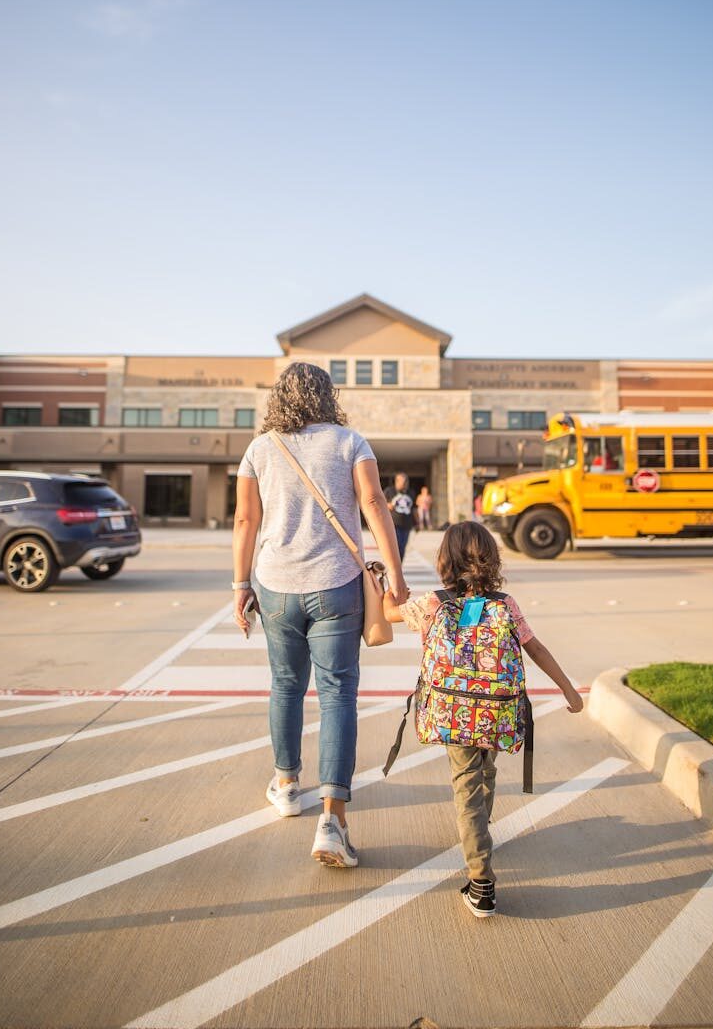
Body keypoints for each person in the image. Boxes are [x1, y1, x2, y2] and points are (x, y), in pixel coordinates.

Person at [233, 362, 409, 868]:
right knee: (338, 696)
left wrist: (240, 586)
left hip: (276, 586)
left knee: (285, 685)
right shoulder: (350, 441)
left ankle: (287, 784)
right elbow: (374, 502)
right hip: (338, 586)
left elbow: (246, 519)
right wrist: (393, 573)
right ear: (327, 395)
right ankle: (332, 821)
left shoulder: (259, 448)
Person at [384, 521, 583, 917]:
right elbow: (535, 648)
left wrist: (382, 586)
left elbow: (388, 613)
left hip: (453, 712)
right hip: (495, 711)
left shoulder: (433, 604)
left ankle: (481, 880)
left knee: (466, 786)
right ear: (491, 559)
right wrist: (568, 688)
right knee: (485, 769)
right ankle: (482, 828)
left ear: (445, 560)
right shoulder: (505, 604)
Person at [383, 472, 415, 560]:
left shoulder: (411, 492)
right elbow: (380, 503)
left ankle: (399, 566)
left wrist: (417, 523)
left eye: (406, 481)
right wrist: (388, 505)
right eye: (403, 481)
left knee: (402, 547)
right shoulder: (389, 491)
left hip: (407, 525)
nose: (405, 483)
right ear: (397, 481)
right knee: (395, 546)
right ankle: (394, 566)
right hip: (393, 524)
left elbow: (414, 509)